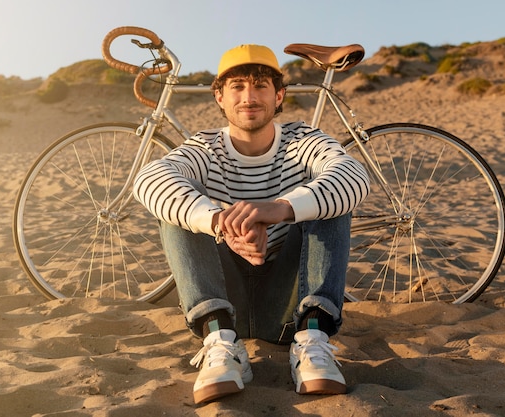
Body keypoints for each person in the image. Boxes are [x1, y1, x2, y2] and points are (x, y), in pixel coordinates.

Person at [133, 44, 370, 404]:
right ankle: (219, 343)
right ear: (219, 96)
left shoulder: (303, 140)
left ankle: (313, 342)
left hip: (290, 307)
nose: (249, 96)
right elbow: (149, 179)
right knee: (180, 207)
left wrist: (280, 208)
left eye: (260, 86)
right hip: (226, 303)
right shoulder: (205, 147)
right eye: (238, 86)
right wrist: (219, 222)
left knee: (330, 199)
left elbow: (353, 175)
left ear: (279, 96)